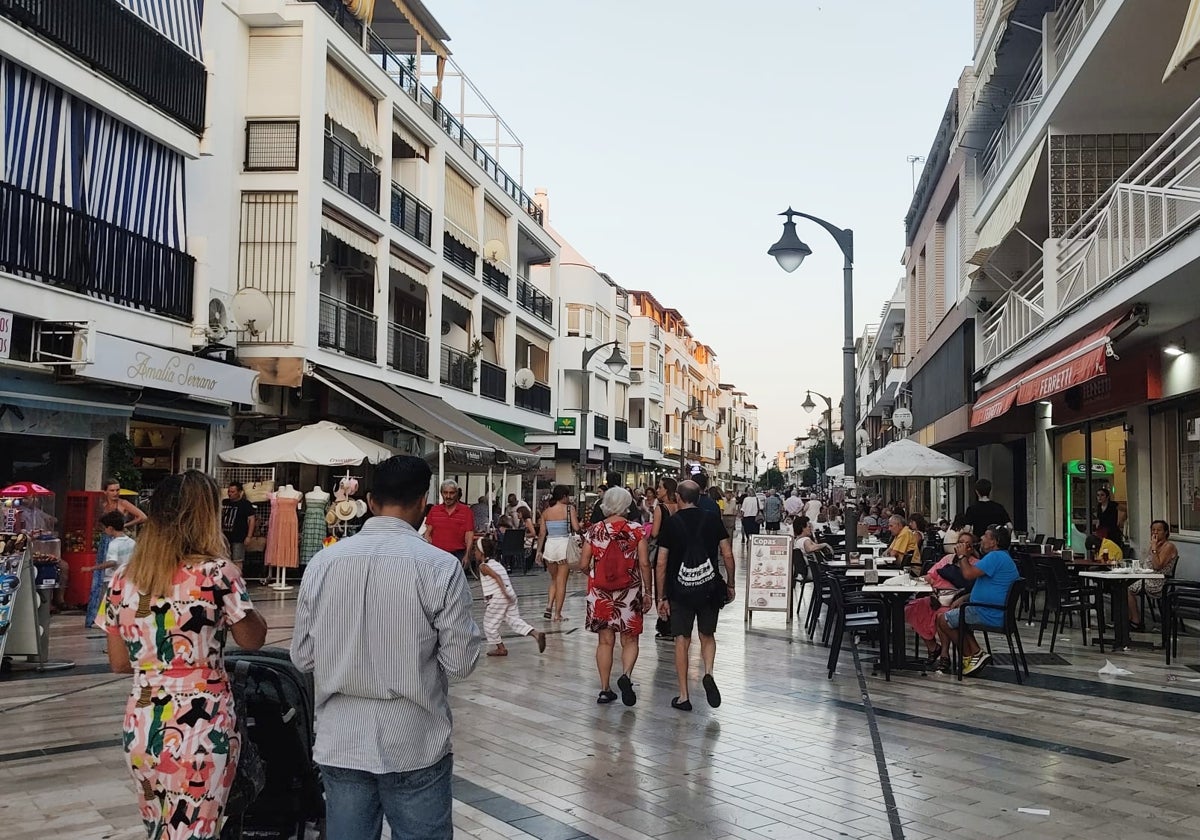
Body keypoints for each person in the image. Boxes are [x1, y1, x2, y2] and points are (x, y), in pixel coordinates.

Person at [292, 456, 482, 840]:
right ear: (422, 504)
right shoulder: (439, 567)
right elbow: (460, 662)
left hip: (341, 738)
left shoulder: (323, 563)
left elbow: (303, 656)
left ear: (372, 502)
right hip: (414, 738)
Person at [104, 470, 267, 840]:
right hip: (202, 727)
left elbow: (117, 661)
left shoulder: (124, 578)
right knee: (196, 832)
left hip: (142, 725)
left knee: (159, 831)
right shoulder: (217, 573)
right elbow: (252, 639)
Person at [655, 480, 735, 711]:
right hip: (709, 587)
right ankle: (708, 672)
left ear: (679, 497)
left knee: (682, 639)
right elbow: (727, 554)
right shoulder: (712, 519)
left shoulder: (671, 523)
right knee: (707, 635)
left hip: (680, 590)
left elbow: (661, 563)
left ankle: (683, 696)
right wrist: (730, 583)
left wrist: (662, 597)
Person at [580, 487, 651, 705]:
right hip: (629, 591)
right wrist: (648, 592)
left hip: (600, 592)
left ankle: (604, 689)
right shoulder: (636, 530)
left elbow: (583, 564)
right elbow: (645, 562)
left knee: (605, 641)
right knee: (630, 639)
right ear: (627, 505)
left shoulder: (594, 530)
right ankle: (626, 676)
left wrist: (595, 573)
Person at [935, 526, 1019, 675]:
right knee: (957, 617)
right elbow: (986, 584)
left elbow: (968, 574)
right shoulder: (1003, 557)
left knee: (943, 620)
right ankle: (976, 653)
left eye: (986, 536)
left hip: (988, 612)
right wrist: (966, 597)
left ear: (994, 542)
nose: (981, 538)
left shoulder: (995, 557)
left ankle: (970, 655)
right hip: (994, 610)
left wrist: (962, 556)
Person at [905, 533, 978, 665]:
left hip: (954, 601)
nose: (962, 545)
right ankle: (932, 647)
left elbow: (973, 587)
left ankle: (944, 654)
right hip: (935, 596)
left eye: (966, 543)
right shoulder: (947, 559)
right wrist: (917, 581)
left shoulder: (975, 564)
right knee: (911, 608)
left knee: (942, 616)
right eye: (960, 542)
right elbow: (931, 575)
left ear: (971, 548)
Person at [89, 478, 147, 627]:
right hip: (105, 540)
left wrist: (123, 525)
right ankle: (96, 614)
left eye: (117, 490)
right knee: (102, 577)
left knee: (123, 574)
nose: (115, 493)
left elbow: (142, 517)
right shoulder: (102, 506)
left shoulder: (123, 504)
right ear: (105, 492)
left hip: (121, 538)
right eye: (112, 490)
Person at [476, 537, 545, 657]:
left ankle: (501, 648)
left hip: (499, 597)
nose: (474, 553)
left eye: (475, 550)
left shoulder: (483, 566)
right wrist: (507, 593)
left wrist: (503, 593)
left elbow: (497, 577)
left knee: (489, 624)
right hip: (510, 594)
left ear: (481, 552)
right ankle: (536, 634)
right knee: (514, 620)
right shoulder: (497, 563)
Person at [535, 485, 580, 621]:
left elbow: (542, 533)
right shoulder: (569, 509)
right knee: (562, 582)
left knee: (554, 579)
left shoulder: (546, 512)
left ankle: (549, 605)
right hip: (563, 546)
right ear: (564, 496)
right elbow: (576, 527)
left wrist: (538, 551)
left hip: (549, 547)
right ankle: (557, 614)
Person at [82, 511, 137, 620]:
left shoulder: (114, 544)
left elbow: (112, 562)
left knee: (109, 604)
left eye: (104, 528)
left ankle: (108, 623)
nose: (104, 531)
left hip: (111, 579)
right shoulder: (132, 542)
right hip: (128, 577)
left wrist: (92, 568)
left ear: (110, 528)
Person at [1128, 519, 1179, 630]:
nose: (1155, 533)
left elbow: (1157, 566)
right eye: (1153, 530)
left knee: (1126, 588)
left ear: (1165, 532)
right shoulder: (1154, 545)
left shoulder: (1168, 546)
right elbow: (1147, 562)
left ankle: (1135, 620)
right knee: (1121, 585)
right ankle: (1129, 618)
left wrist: (1155, 549)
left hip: (1158, 580)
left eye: (1159, 530)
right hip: (1146, 576)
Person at [424, 480, 476, 573]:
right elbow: (427, 533)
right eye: (445, 493)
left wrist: (467, 555)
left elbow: (469, 535)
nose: (448, 496)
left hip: (458, 555)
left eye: (451, 493)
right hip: (437, 555)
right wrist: (433, 549)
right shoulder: (434, 510)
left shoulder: (466, 511)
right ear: (441, 493)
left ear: (456, 493)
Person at [221, 482, 257, 568]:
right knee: (224, 559)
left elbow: (252, 520)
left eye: (233, 492)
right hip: (224, 537)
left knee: (237, 560)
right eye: (229, 491)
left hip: (239, 537)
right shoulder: (224, 502)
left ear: (240, 492)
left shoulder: (245, 504)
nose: (230, 494)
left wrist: (249, 536)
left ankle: (237, 579)